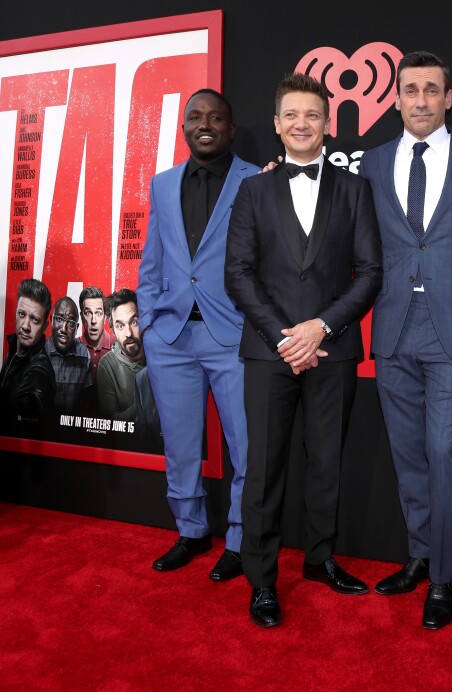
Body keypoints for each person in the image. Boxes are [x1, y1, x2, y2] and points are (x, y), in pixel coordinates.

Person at [359, 51, 452, 630]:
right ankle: (420, 555)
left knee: (445, 448)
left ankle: (445, 576)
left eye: (431, 89)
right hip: (394, 326)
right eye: (410, 90)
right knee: (408, 454)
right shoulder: (371, 165)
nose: (420, 99)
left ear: (448, 98)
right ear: (395, 99)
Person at [226, 72, 382, 628]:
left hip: (332, 350)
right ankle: (262, 580)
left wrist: (321, 328)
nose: (301, 124)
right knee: (264, 469)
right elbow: (238, 275)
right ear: (276, 124)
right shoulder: (252, 190)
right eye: (291, 115)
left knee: (326, 464)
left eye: (312, 115)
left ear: (327, 126)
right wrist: (286, 337)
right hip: (269, 354)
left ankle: (320, 559)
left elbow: (369, 273)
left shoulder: (355, 190)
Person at [138, 88, 259, 581]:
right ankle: (190, 531)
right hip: (170, 337)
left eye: (216, 117)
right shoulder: (162, 185)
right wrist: (148, 323)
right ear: (184, 127)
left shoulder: (255, 181)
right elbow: (152, 259)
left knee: (246, 447)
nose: (205, 124)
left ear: (231, 128)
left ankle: (239, 539)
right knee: (181, 445)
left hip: (232, 334)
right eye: (195, 117)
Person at [0, 278, 56, 435]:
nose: (25, 325)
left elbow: (23, 432)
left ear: (45, 326)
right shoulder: (14, 348)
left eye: (35, 320)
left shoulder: (39, 373)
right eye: (21, 314)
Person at [97, 288, 145, 421]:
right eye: (120, 326)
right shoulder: (107, 366)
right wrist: (146, 402)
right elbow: (110, 423)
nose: (128, 333)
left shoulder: (158, 355)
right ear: (112, 330)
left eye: (134, 322)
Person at [45, 296, 93, 411]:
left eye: (71, 323)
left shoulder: (84, 355)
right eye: (59, 319)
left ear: (76, 328)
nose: (63, 329)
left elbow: (89, 403)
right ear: (51, 320)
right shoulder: (40, 352)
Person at [78, 287, 114, 381]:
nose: (93, 321)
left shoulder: (118, 346)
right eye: (88, 313)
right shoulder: (73, 347)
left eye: (98, 313)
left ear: (105, 317)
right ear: (82, 317)